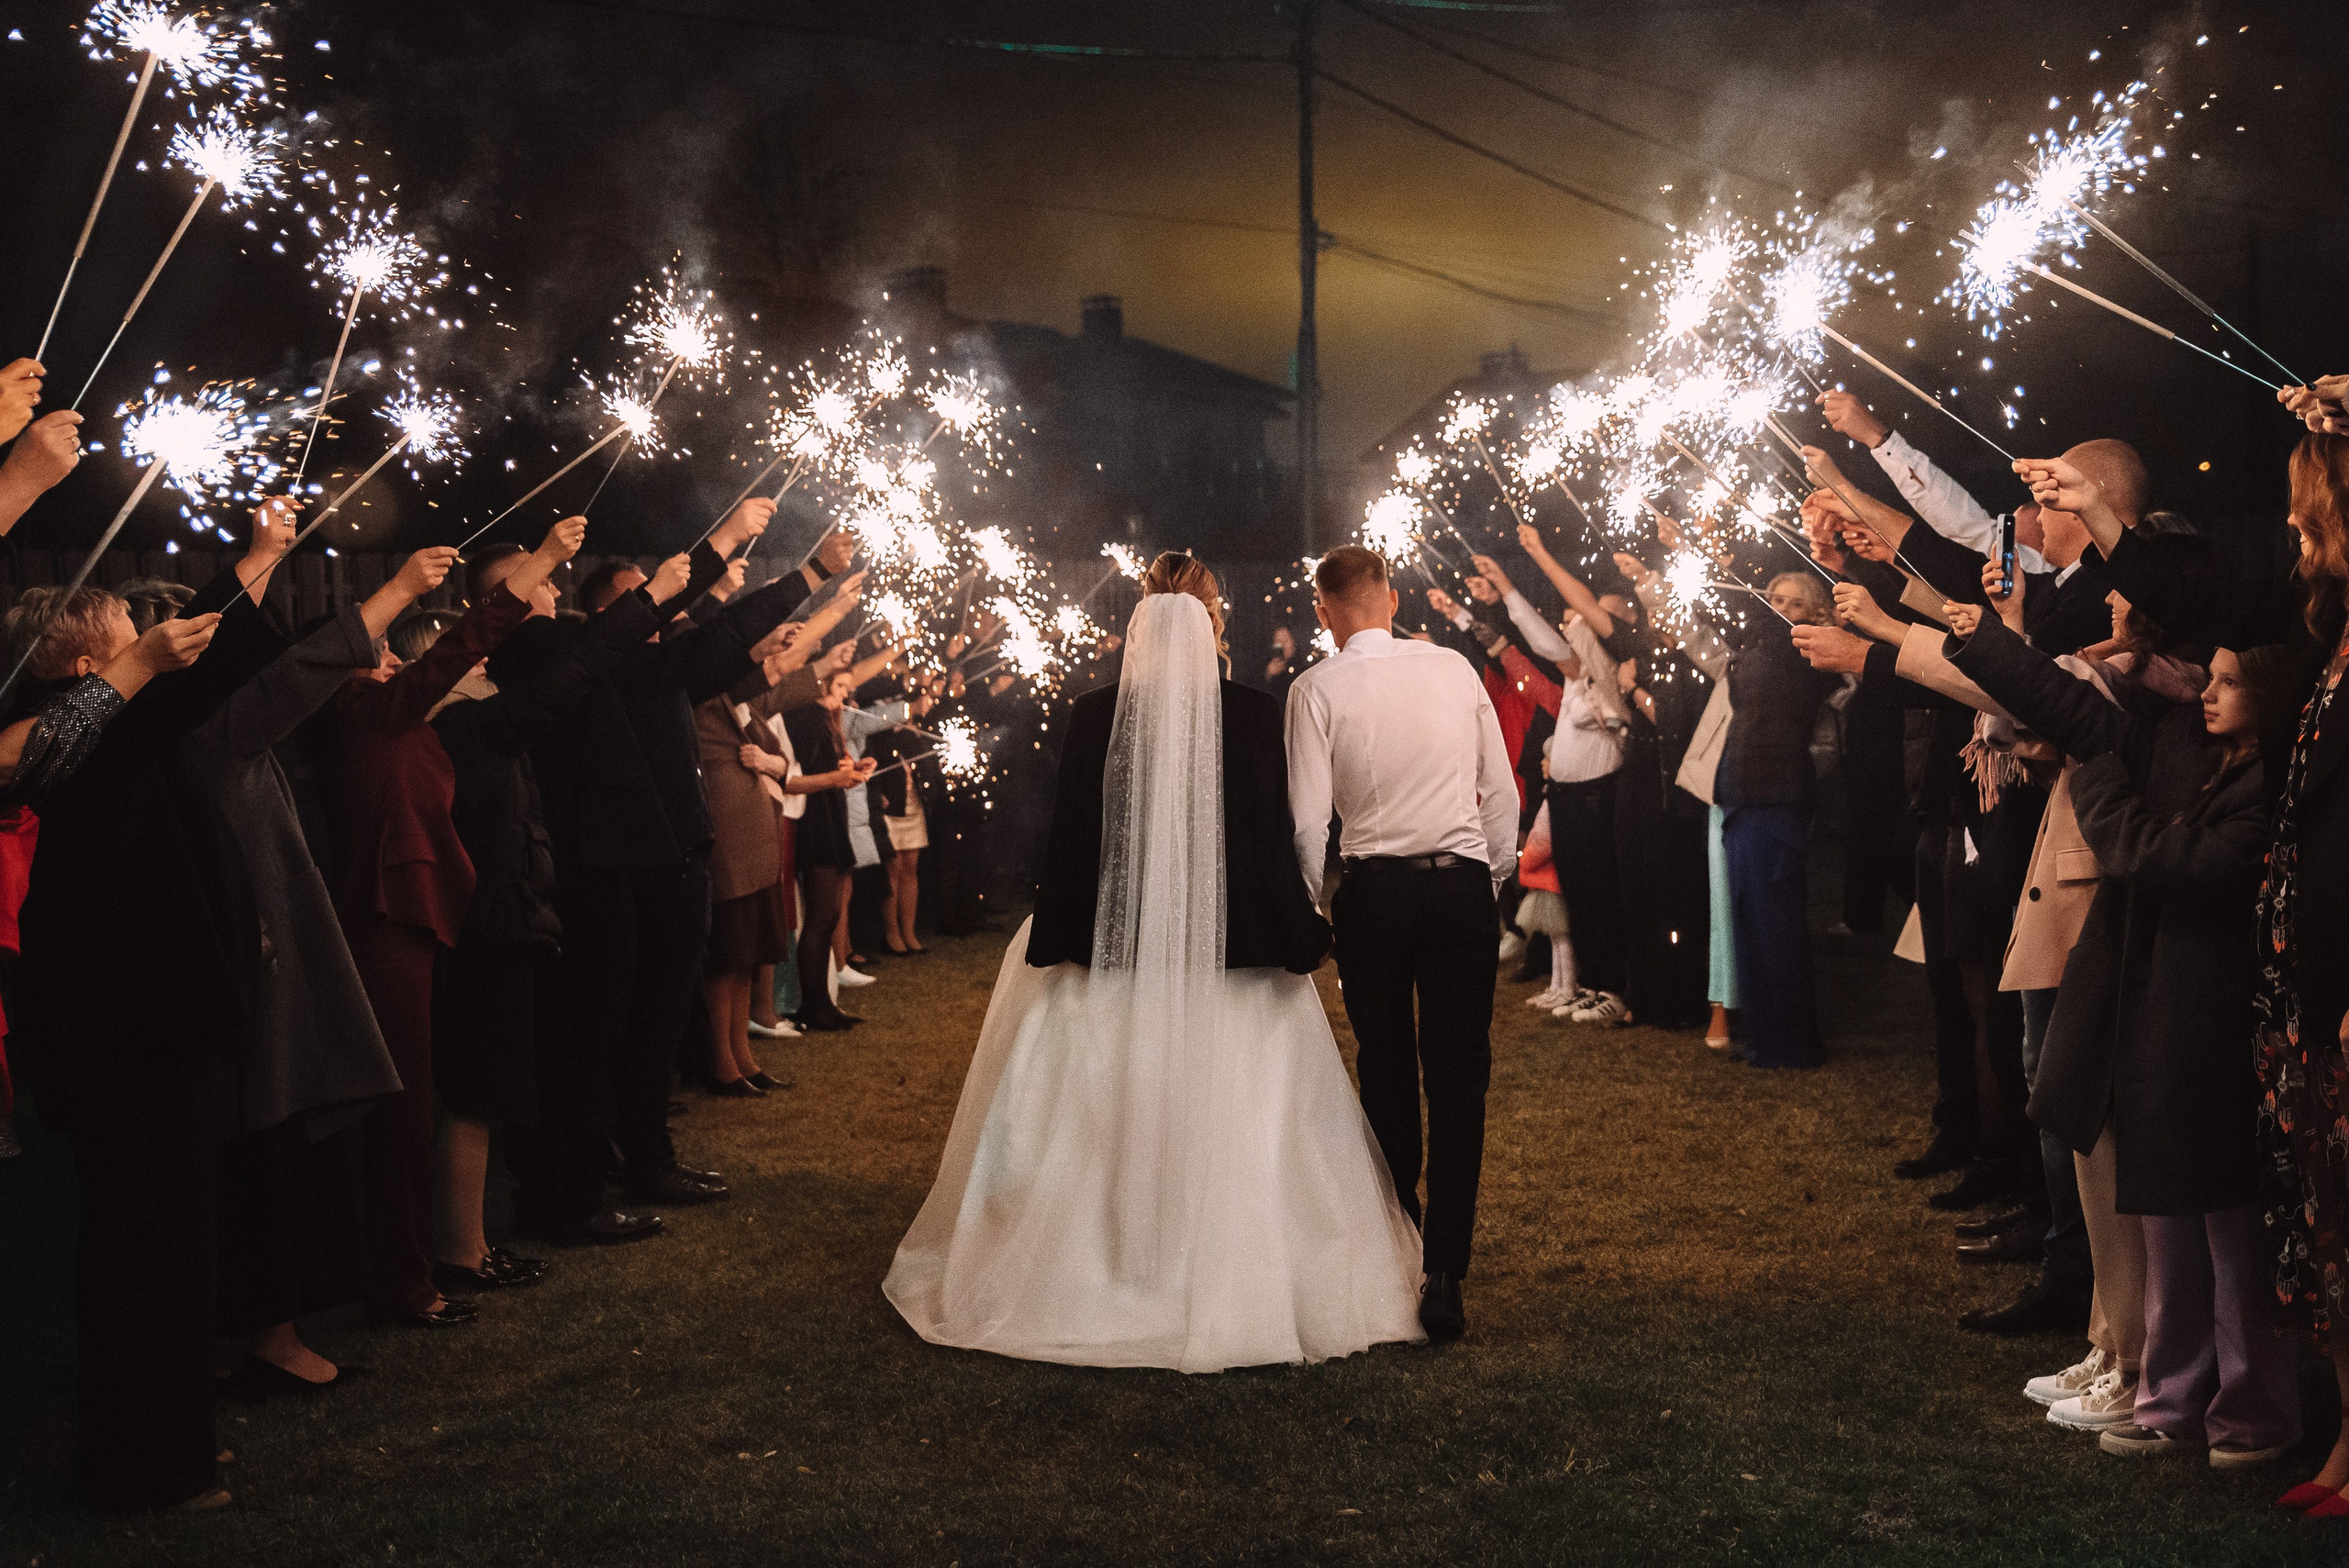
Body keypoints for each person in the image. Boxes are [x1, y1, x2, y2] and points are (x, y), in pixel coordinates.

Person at [885, 553, 1423, 1371]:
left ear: (1141, 615)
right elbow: (1262, 839)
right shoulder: (1249, 712)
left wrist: (1066, 932)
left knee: (1086, 1110)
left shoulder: (1092, 713)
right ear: (1214, 618)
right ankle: (1232, 1266)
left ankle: (1095, 1266)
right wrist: (1294, 927)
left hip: (1113, 951)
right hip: (1234, 962)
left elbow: (1071, 838)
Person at [1945, 590, 2302, 1469]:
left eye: (2226, 683)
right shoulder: (2198, 753)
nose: (2206, 694)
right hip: (2162, 1008)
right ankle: (2173, 1396)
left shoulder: (2265, 790)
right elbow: (2071, 709)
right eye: (2207, 677)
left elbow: (2166, 861)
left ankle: (2250, 1411)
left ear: (2268, 693)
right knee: (2166, 1213)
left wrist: (2097, 783)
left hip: (2215, 1021)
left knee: (2223, 1223)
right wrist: (1979, 638)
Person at [9, 541, 290, 1512]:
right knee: (146, 1251)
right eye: (129, 635)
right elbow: (192, 668)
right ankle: (148, 1466)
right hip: (123, 1034)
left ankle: (168, 1449)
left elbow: (200, 661)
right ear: (87, 665)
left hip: (144, 1030)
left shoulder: (116, 730)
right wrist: (250, 567)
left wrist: (263, 555)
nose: (150, 640)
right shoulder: (71, 737)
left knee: (164, 1242)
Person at [324, 521, 579, 1326]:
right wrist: (534, 567)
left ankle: (400, 1268)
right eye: (381, 651)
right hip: (385, 914)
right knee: (399, 1108)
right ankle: (405, 1282)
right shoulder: (366, 711)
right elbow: (450, 655)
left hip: (420, 914)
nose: (399, 658)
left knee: (413, 1099)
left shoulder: (398, 714)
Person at [1286, 544, 1518, 1340]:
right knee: (1460, 1074)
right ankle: (1445, 1269)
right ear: (1389, 596)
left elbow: (1309, 822)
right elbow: (1504, 792)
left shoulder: (1314, 688)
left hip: (1375, 893)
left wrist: (1309, 906)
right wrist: (1485, 882)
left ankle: (1401, 1238)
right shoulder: (1453, 668)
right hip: (1458, 884)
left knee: (1385, 1060)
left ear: (1324, 611)